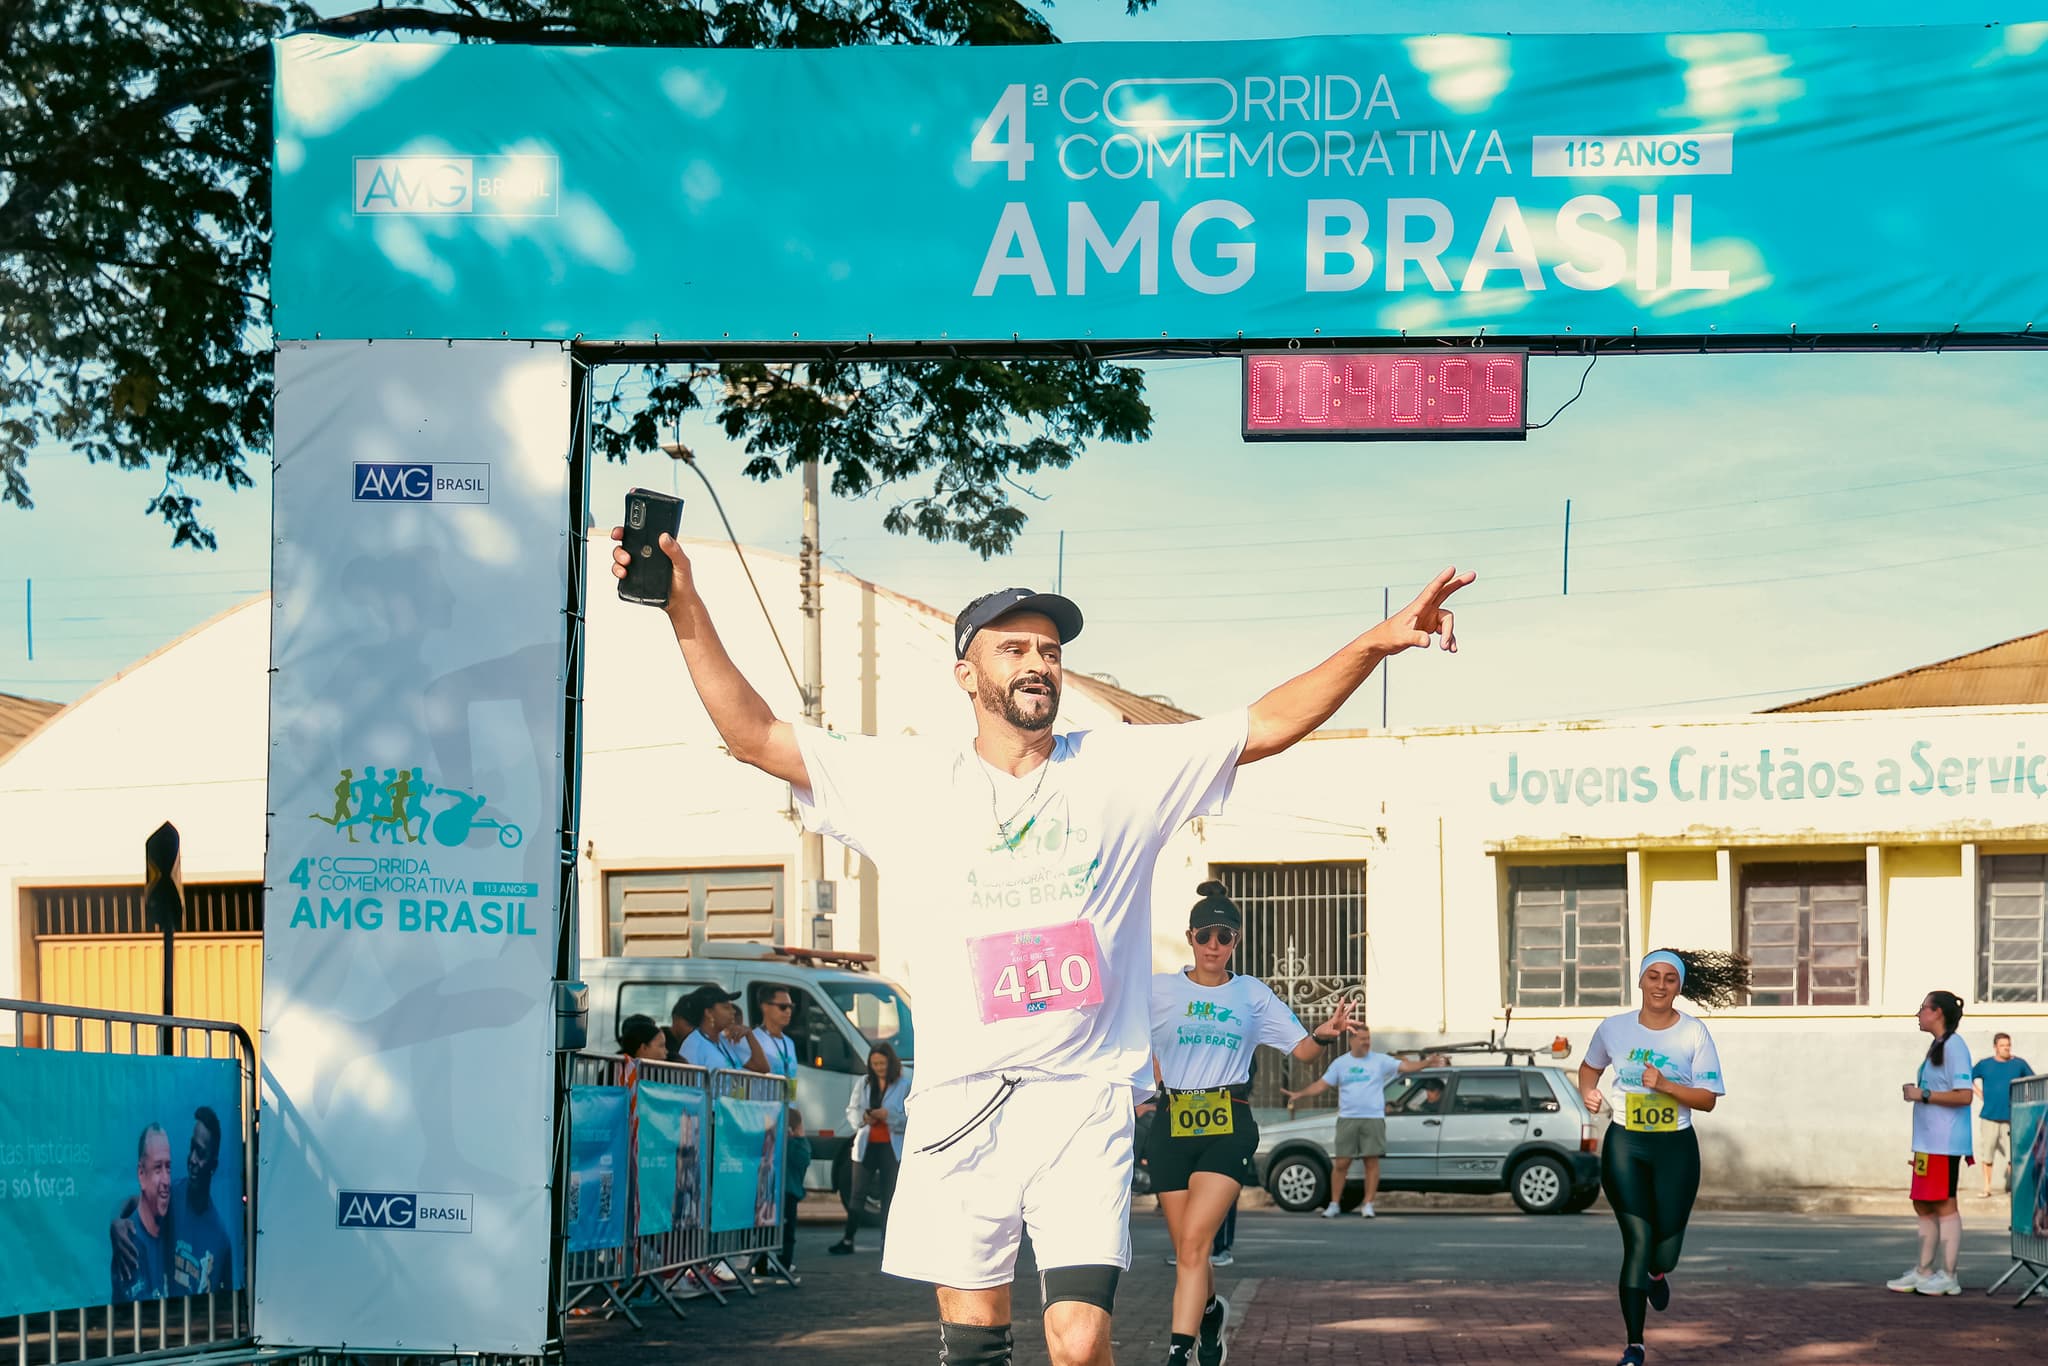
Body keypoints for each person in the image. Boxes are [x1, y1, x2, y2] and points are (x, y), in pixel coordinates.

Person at [613, 522, 1470, 1366]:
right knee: (976, 1343)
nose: (1037, 663)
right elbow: (755, 736)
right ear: (966, 672)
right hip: (958, 1103)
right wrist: (683, 604)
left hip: (1081, 1101)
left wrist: (1377, 644)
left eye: (1050, 651)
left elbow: (1266, 723)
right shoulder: (909, 781)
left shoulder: (1121, 770)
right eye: (1013, 647)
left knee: (1081, 1338)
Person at [1148, 880, 1355, 1366]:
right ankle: (1212, 1312)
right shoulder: (1157, 989)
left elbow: (1302, 1050)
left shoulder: (1252, 995)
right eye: (1206, 936)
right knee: (1188, 1251)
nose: (1215, 946)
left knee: (1196, 1245)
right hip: (1172, 1126)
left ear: (1236, 941)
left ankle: (1180, 1352)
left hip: (1228, 1123)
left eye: (1226, 936)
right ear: (1190, 937)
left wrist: (1323, 1033)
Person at [1579, 949, 1742, 1366]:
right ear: (1640, 981)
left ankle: (1658, 1273)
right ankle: (1635, 1345)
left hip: (1675, 1147)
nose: (1660, 985)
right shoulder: (1614, 1029)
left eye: (1670, 978)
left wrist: (1667, 1085)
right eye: (1653, 976)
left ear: (1679, 987)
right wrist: (1588, 1092)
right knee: (1637, 1241)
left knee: (1664, 1249)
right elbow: (1589, 1068)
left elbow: (1707, 1100)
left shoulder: (1693, 1033)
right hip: (1626, 1145)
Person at [1281, 1025, 1445, 1219]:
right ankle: (1334, 1204)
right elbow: (1322, 1084)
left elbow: (1406, 1067)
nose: (1366, 1042)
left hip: (1373, 1119)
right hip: (1348, 1119)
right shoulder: (1340, 1064)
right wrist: (1300, 1094)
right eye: (1362, 1039)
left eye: (1368, 1038)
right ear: (1352, 1041)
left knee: (1371, 1162)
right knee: (1342, 1163)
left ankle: (1368, 1204)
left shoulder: (1379, 1061)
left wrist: (1426, 1063)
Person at [1889, 990, 1974, 1297]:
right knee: (1922, 1203)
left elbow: (1964, 1095)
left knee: (1945, 1204)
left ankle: (1949, 1275)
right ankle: (1924, 1269)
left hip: (1945, 1142)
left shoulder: (1955, 1046)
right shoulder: (1938, 1046)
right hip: (1926, 1142)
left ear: (1937, 1012)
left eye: (1923, 1008)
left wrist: (1922, 1094)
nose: (1919, 1014)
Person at [832, 1042, 909, 1256]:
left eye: (882, 1064)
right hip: (867, 1144)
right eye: (874, 1064)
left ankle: (888, 1242)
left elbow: (909, 1118)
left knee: (888, 1195)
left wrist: (889, 1116)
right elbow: (852, 1110)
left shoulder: (903, 1085)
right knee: (857, 1194)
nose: (879, 1068)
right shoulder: (864, 1083)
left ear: (890, 1063)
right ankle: (848, 1240)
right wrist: (863, 1119)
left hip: (891, 1146)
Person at [112, 1123, 172, 1304]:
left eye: (168, 1167)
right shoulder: (127, 1244)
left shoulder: (174, 1218)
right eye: (157, 1168)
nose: (166, 1180)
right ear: (141, 1174)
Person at [1973, 1032, 2034, 1198]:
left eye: (2008, 1045)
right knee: (1987, 1153)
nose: (2006, 1048)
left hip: (2011, 1117)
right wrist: (1979, 1093)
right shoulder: (1985, 1064)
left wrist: (2023, 1101)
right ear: (1995, 1047)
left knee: (2012, 1156)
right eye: (2002, 1045)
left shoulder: (2019, 1064)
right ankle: (1986, 1188)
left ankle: (2012, 1188)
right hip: (1989, 1117)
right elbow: (1968, 1077)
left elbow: (2032, 1082)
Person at [673, 985, 769, 1074]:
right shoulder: (693, 1045)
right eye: (726, 1007)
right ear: (709, 1013)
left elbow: (762, 1068)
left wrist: (749, 1035)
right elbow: (688, 1084)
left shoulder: (724, 1040)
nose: (733, 1011)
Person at [782, 1106, 813, 1272]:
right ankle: (784, 1264)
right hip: (789, 1192)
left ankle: (763, 1264)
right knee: (788, 1233)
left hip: (774, 1193)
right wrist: (801, 1139)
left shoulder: (776, 1141)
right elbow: (804, 1160)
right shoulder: (796, 1145)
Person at [753, 986, 802, 1091]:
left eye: (791, 1007)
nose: (788, 1011)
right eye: (783, 1007)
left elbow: (792, 1078)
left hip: (784, 1106)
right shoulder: (753, 1039)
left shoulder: (789, 1043)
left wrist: (791, 1105)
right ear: (765, 1007)